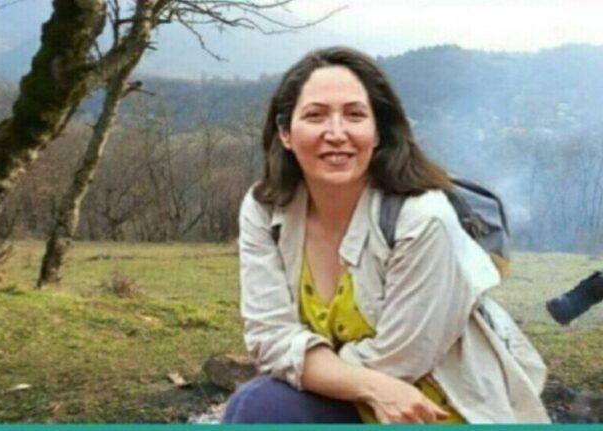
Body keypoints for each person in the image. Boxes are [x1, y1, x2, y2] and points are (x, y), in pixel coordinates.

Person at [223, 46, 550, 424]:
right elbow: (268, 336)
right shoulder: (266, 208)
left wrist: (303, 362)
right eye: (315, 115)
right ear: (285, 132)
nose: (336, 133)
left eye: (355, 115)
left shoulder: (422, 218)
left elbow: (400, 361)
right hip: (356, 396)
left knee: (263, 404)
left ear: (378, 131)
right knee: (259, 405)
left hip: (431, 408)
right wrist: (364, 384)